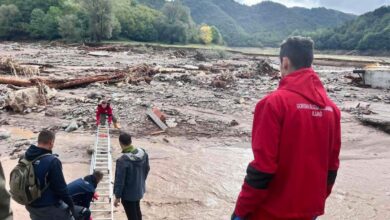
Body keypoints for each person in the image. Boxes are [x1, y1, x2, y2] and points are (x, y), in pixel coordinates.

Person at [232, 36, 341, 220]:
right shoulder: (332, 110)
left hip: (270, 213)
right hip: (309, 211)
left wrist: (240, 211)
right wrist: (312, 204)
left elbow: (262, 169)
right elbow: (332, 169)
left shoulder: (273, 104)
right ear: (309, 62)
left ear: (285, 62)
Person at [24, 130, 76, 220]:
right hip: (47, 207)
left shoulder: (26, 157)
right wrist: (72, 206)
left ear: (39, 141)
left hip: (30, 205)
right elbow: (61, 189)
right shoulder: (52, 161)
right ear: (51, 143)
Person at [114, 132, 150, 220]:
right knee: (137, 209)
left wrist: (117, 197)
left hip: (128, 195)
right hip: (139, 189)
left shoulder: (122, 160)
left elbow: (120, 181)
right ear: (131, 141)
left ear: (120, 143)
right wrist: (141, 182)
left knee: (132, 215)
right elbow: (147, 169)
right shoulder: (143, 153)